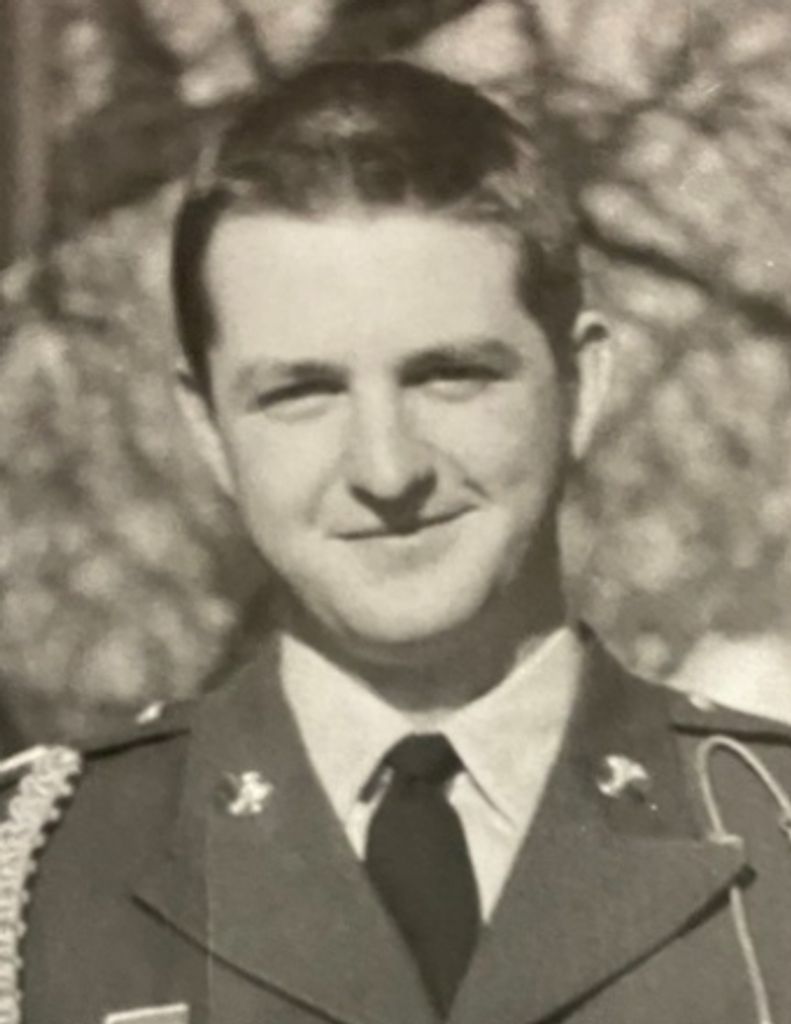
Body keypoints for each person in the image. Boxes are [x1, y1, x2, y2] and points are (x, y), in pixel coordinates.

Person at [2, 59, 791, 1024]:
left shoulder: (768, 830)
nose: (385, 469)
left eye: (448, 376)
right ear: (208, 428)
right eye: (300, 393)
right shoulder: (39, 882)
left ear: (580, 387)